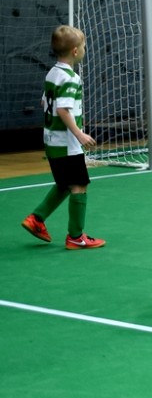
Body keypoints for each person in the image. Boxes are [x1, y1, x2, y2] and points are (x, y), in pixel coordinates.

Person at [20, 25, 106, 250]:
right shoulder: (70, 78)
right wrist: (79, 134)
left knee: (65, 183)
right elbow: (62, 109)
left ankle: (36, 218)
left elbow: (44, 102)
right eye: (84, 46)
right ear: (75, 51)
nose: (85, 50)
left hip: (51, 140)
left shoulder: (52, 73)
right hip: (67, 143)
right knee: (80, 184)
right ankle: (76, 237)